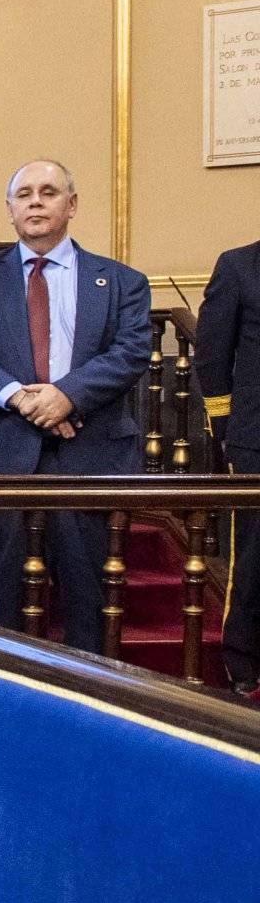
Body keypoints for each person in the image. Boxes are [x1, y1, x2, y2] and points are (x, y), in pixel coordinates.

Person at [0, 159, 153, 646]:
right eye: (24, 194)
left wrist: (67, 396)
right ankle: (2, 708)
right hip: (0, 454)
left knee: (91, 600)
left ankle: (91, 708)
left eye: (48, 192)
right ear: (10, 210)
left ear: (72, 204)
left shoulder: (122, 280)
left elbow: (130, 352)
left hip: (90, 454)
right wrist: (20, 398)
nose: (35, 202)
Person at [195, 234, 260, 695]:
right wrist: (225, 429)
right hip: (256, 440)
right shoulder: (238, 265)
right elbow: (213, 355)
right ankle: (244, 663)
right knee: (254, 559)